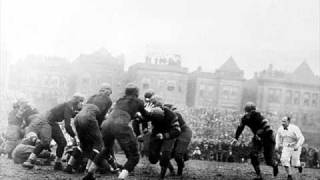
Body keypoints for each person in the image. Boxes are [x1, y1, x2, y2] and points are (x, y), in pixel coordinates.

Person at [83, 83, 149, 180]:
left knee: (105, 149)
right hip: (120, 124)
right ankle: (121, 177)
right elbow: (146, 116)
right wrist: (151, 111)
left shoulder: (120, 100)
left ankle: (89, 174)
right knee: (134, 156)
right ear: (136, 93)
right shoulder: (138, 101)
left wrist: (134, 115)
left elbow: (124, 111)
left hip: (107, 124)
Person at [22, 93, 84, 170]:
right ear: (76, 101)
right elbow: (67, 126)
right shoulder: (69, 106)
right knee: (45, 141)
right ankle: (30, 160)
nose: (82, 104)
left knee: (62, 142)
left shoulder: (70, 106)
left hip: (52, 121)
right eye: (81, 101)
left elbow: (69, 114)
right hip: (46, 120)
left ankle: (57, 163)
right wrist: (74, 136)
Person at [64, 84, 113, 174]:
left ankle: (69, 166)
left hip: (78, 118)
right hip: (89, 117)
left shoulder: (92, 96)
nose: (110, 94)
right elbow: (101, 116)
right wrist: (99, 127)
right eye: (110, 92)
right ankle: (88, 169)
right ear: (107, 91)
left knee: (82, 144)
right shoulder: (108, 100)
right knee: (98, 143)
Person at [231, 102, 278, 180]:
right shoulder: (245, 118)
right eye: (248, 112)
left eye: (251, 112)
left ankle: (275, 165)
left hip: (268, 138)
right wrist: (236, 138)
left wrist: (260, 133)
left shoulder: (259, 117)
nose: (249, 114)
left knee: (269, 161)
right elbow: (240, 128)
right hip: (257, 138)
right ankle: (259, 175)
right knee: (253, 155)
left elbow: (269, 130)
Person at [147, 96, 181, 180]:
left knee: (165, 155)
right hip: (156, 132)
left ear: (162, 107)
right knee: (152, 157)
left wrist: (165, 136)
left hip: (168, 133)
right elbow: (139, 120)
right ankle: (170, 168)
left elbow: (177, 130)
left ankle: (162, 176)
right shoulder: (149, 112)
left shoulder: (171, 115)